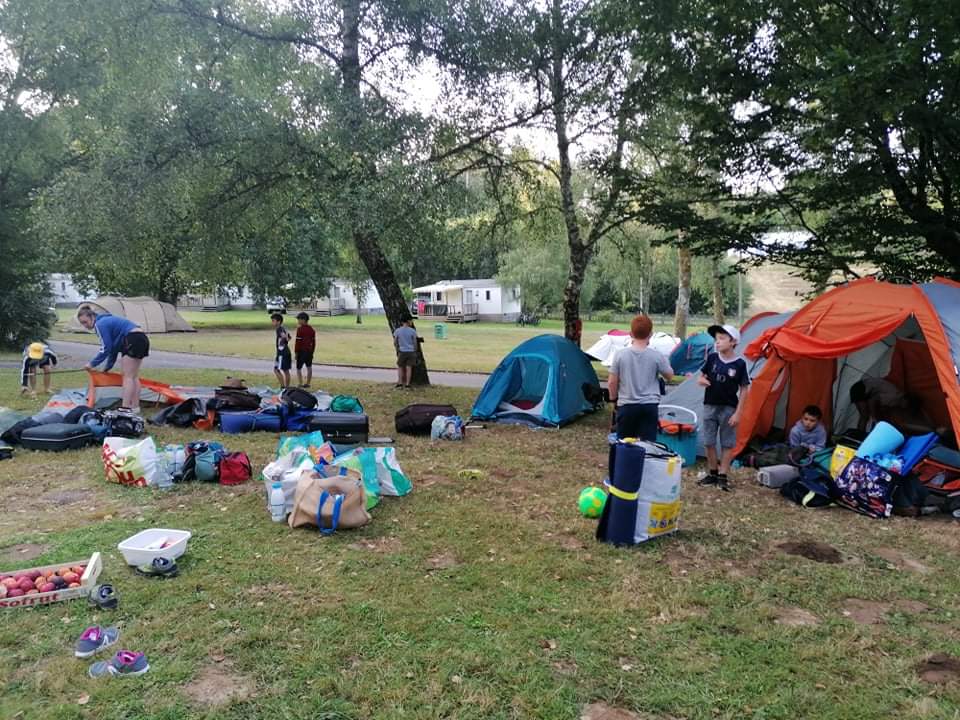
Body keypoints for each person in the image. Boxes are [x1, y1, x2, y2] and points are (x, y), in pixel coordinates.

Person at [698, 324, 750, 491]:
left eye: (721, 339)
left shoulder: (740, 364)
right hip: (710, 406)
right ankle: (712, 473)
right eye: (716, 339)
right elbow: (702, 376)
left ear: (733, 341)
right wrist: (701, 380)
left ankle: (723, 475)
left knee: (727, 443)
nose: (717, 342)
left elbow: (744, 389)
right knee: (708, 441)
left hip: (729, 409)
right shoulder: (712, 358)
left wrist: (738, 413)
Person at [607, 314, 674, 441]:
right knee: (648, 445)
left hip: (627, 405)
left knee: (624, 444)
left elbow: (611, 382)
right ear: (651, 334)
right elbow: (669, 375)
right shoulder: (656, 356)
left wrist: (613, 399)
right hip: (649, 406)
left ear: (630, 333)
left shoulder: (620, 355)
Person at [76, 306, 150, 413]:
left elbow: (106, 348)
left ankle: (125, 409)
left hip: (132, 338)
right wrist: (107, 368)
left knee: (128, 377)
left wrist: (91, 364)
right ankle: (135, 407)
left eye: (85, 322)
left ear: (92, 317)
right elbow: (113, 350)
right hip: (141, 338)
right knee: (133, 376)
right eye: (82, 323)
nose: (85, 326)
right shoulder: (106, 321)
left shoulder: (100, 324)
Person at [393, 318, 418, 389]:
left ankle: (400, 382)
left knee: (400, 367)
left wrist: (398, 349)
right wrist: (415, 351)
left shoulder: (398, 331)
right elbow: (414, 342)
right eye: (411, 321)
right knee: (409, 368)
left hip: (402, 351)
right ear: (408, 321)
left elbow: (395, 342)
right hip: (411, 351)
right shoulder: (412, 331)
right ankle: (407, 384)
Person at [293, 312, 316, 389]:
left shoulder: (300, 329)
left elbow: (298, 342)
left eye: (299, 319)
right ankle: (308, 383)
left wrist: (296, 353)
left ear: (303, 320)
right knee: (309, 367)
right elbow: (313, 342)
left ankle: (300, 383)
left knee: (298, 368)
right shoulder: (312, 330)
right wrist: (312, 352)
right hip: (309, 351)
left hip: (301, 351)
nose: (298, 321)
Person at [271, 313, 292, 389]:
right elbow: (289, 338)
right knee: (285, 370)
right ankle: (286, 387)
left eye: (273, 321)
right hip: (284, 352)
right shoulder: (283, 328)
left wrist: (282, 342)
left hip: (282, 353)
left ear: (278, 321)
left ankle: (283, 387)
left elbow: (286, 337)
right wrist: (285, 341)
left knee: (276, 369)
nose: (272, 322)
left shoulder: (279, 329)